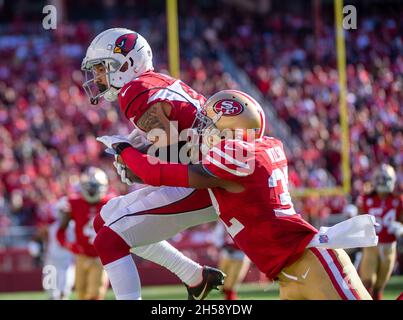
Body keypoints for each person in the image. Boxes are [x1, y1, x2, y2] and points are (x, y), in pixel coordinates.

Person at [108, 89, 378, 300]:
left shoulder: (237, 155)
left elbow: (157, 174)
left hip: (311, 265)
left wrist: (123, 148)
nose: (200, 130)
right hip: (288, 275)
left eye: (207, 124)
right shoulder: (257, 147)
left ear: (229, 127)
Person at [82, 28, 224, 300]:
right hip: (202, 171)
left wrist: (134, 160)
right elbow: (175, 142)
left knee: (109, 240)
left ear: (125, 64)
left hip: (204, 180)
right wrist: (140, 151)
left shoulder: (135, 90)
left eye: (102, 68)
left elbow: (171, 156)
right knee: (104, 220)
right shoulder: (154, 82)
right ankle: (195, 277)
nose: (98, 77)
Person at [56, 167, 111, 300]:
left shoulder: (110, 202)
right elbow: (60, 231)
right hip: (81, 256)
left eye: (95, 187)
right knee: (81, 294)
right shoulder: (74, 203)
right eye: (89, 187)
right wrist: (70, 246)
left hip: (100, 257)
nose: (92, 190)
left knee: (95, 295)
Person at [357, 164, 403, 300]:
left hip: (390, 247)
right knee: (367, 281)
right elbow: (358, 220)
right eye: (380, 179)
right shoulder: (366, 199)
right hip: (372, 245)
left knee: (379, 287)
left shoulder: (398, 200)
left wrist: (400, 228)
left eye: (385, 179)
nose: (383, 182)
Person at [213, 222, 250, 300]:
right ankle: (228, 294)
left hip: (241, 253)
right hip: (226, 253)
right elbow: (217, 236)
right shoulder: (223, 221)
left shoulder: (247, 220)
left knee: (234, 279)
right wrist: (223, 246)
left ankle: (230, 295)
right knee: (222, 278)